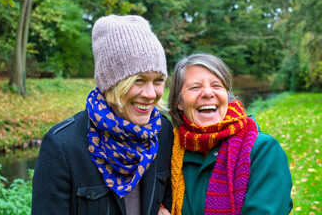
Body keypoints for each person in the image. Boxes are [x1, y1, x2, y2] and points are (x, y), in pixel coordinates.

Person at [32, 14, 173, 215]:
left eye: (158, 80)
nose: (151, 94)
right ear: (111, 83)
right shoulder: (62, 146)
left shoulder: (162, 132)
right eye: (139, 80)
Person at [168, 53, 293, 215]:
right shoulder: (169, 150)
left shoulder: (263, 150)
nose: (207, 93)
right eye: (195, 87)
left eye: (216, 85)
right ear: (179, 102)